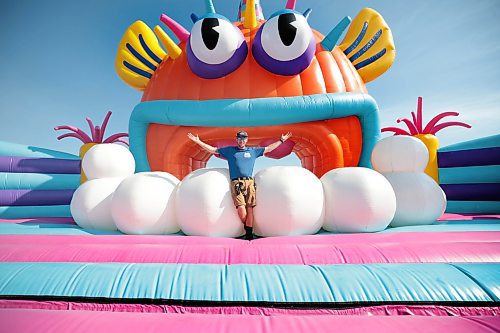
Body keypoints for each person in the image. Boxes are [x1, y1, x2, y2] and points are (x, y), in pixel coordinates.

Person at [187, 131, 292, 240]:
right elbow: (213, 150)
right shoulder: (230, 151)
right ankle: (248, 229)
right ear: (237, 139)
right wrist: (198, 141)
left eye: (244, 138)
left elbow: (268, 148)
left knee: (250, 208)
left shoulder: (253, 151)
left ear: (247, 140)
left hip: (249, 182)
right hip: (236, 183)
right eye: (239, 138)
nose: (241, 140)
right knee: (241, 208)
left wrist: (281, 140)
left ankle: (249, 235)